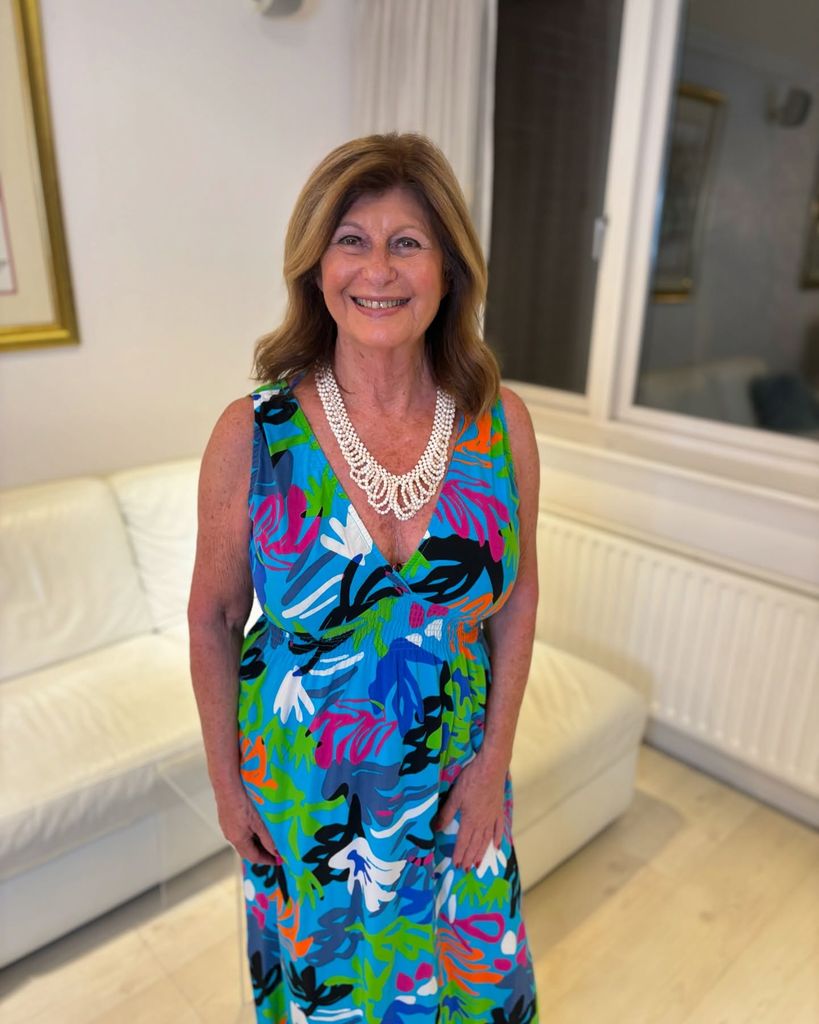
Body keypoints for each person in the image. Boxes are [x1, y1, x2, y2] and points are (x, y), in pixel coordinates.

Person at [188, 132, 540, 1024]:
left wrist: (494, 759)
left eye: (406, 242)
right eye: (350, 239)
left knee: (470, 985)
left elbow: (518, 596)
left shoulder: (500, 424)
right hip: (305, 799)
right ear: (315, 267)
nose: (376, 269)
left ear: (448, 270)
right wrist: (227, 786)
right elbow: (214, 615)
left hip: (457, 779)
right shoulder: (253, 433)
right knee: (336, 1000)